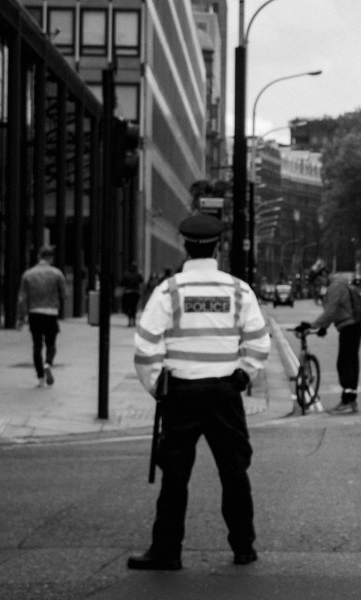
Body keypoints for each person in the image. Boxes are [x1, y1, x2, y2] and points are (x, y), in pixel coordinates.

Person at [129, 214, 271, 571]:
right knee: (234, 471)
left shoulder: (170, 290)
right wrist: (242, 376)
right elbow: (258, 339)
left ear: (184, 245)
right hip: (225, 392)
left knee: (175, 475)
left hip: (182, 392)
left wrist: (157, 384)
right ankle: (244, 547)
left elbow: (145, 346)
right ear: (218, 247)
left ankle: (167, 551)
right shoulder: (238, 290)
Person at [297, 266, 361, 415]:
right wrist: (324, 327)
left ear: (325, 274)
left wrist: (314, 325)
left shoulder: (336, 286)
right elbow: (334, 311)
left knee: (345, 364)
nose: (319, 283)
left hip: (350, 328)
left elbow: (330, 310)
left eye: (319, 279)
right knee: (348, 363)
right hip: (348, 327)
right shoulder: (333, 286)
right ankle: (350, 400)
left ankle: (348, 401)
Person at [17, 246, 68, 387]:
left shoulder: (28, 274)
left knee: (37, 345)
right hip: (51, 313)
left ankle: (40, 378)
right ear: (50, 258)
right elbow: (65, 294)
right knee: (51, 343)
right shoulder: (57, 273)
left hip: (35, 313)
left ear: (39, 256)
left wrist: (21, 317)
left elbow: (22, 298)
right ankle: (48, 364)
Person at [120, 262, 144, 327]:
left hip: (128, 292)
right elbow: (141, 280)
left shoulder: (126, 274)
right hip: (135, 292)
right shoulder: (138, 274)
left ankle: (130, 320)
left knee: (128, 307)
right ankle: (133, 321)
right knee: (133, 307)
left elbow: (122, 283)